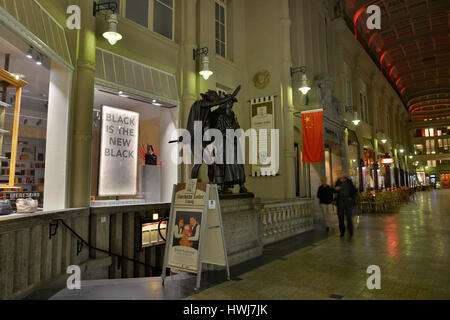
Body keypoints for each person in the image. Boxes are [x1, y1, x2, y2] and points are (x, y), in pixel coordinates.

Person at [207, 93, 247, 193]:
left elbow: (236, 125)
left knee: (237, 163)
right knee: (222, 163)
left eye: (232, 102)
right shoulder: (217, 114)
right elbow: (215, 129)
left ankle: (241, 184)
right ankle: (222, 186)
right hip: (222, 141)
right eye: (229, 102)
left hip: (232, 140)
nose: (231, 104)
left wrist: (235, 132)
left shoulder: (232, 114)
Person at [335, 171, 357, 238]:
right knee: (340, 217)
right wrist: (336, 189)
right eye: (339, 174)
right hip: (340, 199)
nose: (340, 175)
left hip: (348, 199)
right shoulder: (338, 182)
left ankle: (350, 231)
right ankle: (342, 232)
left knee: (348, 217)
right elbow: (334, 190)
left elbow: (353, 190)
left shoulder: (349, 181)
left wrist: (351, 197)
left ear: (344, 174)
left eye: (341, 173)